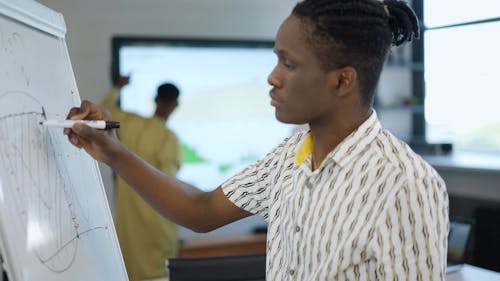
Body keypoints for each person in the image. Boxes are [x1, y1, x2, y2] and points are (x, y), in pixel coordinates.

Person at [65, 0, 449, 280]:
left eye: (289, 63)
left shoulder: (406, 184)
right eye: (276, 59)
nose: (273, 77)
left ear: (341, 80)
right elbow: (201, 210)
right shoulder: (288, 159)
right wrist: (111, 153)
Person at [100, 76, 182, 281]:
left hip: (129, 225)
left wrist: (117, 87)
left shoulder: (129, 123)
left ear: (155, 99)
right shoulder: (168, 138)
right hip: (158, 225)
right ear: (175, 105)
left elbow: (101, 113)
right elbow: (169, 184)